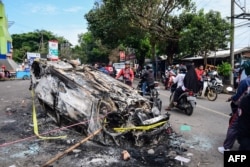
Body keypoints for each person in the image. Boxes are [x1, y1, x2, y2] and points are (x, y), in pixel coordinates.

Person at [218, 61, 250, 154]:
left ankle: (226, 147)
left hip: (245, 109)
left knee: (234, 126)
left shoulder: (246, 81)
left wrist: (231, 98)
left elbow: (238, 97)